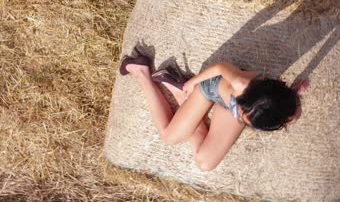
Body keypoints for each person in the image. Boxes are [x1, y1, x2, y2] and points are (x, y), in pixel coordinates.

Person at [119, 46, 308, 171]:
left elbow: (292, 115)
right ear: (246, 98)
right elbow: (219, 68)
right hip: (211, 90)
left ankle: (178, 90)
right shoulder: (240, 82)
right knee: (170, 136)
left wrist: (293, 96)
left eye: (247, 121)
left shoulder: (287, 113)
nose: (242, 120)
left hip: (230, 108)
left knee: (205, 164)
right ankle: (142, 72)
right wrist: (193, 83)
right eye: (244, 114)